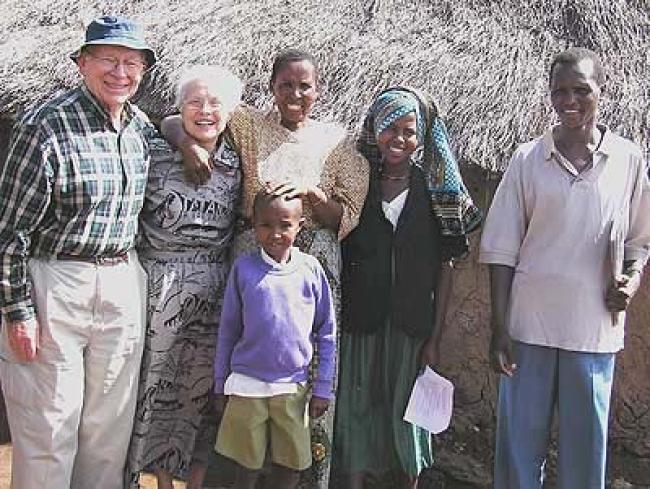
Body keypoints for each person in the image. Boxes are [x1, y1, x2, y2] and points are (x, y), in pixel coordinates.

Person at [162, 48, 369, 488]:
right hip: (251, 264)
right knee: (245, 368)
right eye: (286, 84)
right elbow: (182, 118)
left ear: (319, 89)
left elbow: (345, 217)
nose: (296, 93)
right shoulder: (248, 124)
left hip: (313, 271)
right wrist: (186, 146)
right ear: (272, 87)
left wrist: (313, 195)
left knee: (306, 382)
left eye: (305, 85)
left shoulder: (338, 142)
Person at [480, 47, 650, 489]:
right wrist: (500, 328)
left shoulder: (628, 161)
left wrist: (630, 281)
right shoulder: (527, 159)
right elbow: (501, 250)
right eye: (560, 91)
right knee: (518, 452)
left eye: (581, 90)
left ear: (601, 92)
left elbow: (639, 241)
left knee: (584, 456)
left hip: (592, 335)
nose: (569, 100)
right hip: (528, 331)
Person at [0, 16, 155, 489]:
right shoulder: (44, 127)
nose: (120, 72)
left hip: (122, 279)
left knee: (108, 432)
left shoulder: (141, 128)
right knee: (49, 425)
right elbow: (9, 231)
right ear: (82, 63)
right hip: (57, 281)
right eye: (108, 59)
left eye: (131, 62)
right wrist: (18, 311)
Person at [333, 87, 482, 488]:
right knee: (356, 414)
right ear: (373, 128)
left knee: (408, 421)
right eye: (389, 128)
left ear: (421, 137)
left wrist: (435, 337)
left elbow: (446, 266)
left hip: (411, 328)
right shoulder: (356, 182)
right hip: (360, 324)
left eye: (408, 131)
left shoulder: (434, 190)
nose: (398, 139)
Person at [124, 65, 243, 489]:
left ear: (231, 111)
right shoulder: (155, 151)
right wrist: (183, 141)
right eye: (194, 102)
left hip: (214, 289)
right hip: (158, 287)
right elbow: (163, 124)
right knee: (150, 389)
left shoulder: (238, 157)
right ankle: (147, 478)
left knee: (201, 393)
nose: (205, 110)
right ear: (179, 108)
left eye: (215, 103)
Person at [213, 189, 336, 489]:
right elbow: (228, 329)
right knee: (246, 463)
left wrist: (322, 387)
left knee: (290, 462)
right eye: (266, 225)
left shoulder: (311, 270)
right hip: (247, 384)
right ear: (254, 224)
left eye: (285, 224)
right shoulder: (244, 269)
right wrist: (220, 383)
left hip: (292, 386)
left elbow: (327, 333)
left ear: (300, 225)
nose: (275, 233)